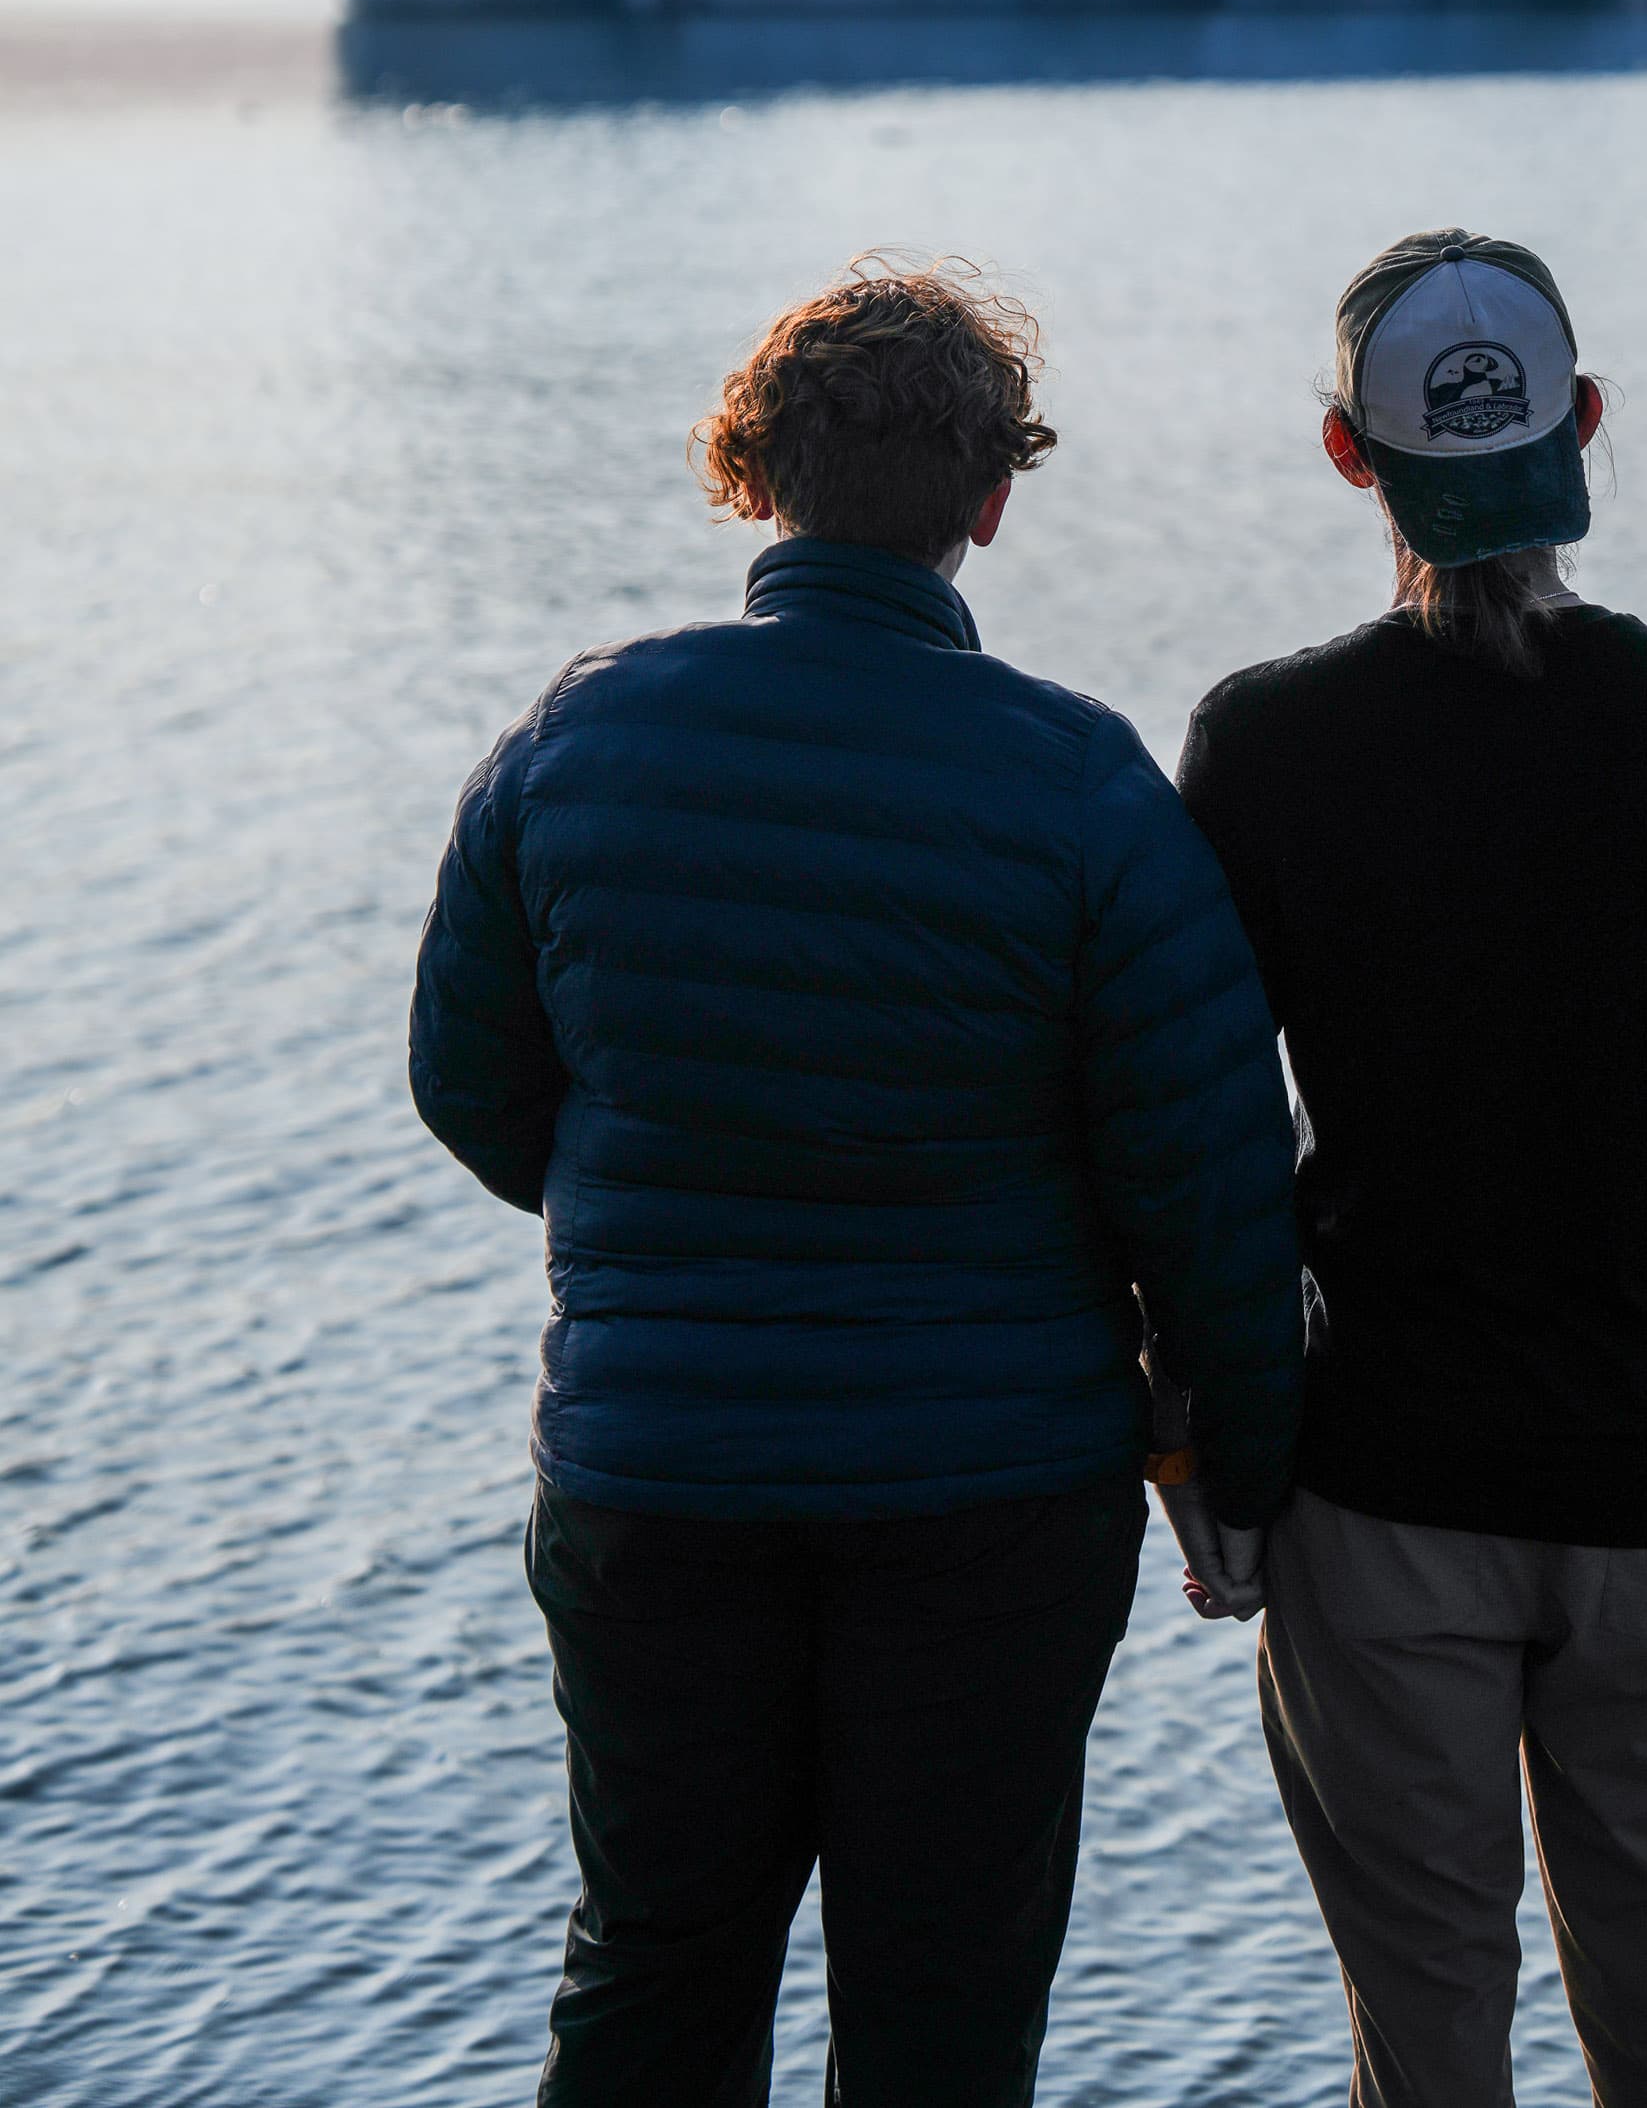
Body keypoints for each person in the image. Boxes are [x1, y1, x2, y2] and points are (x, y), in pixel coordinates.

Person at [408, 257, 1303, 2108]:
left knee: (654, 1971)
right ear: (989, 501)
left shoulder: (577, 743)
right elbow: (1209, 1180)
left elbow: (472, 1089)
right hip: (988, 1506)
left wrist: (669, 1225)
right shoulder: (1077, 783)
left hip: (656, 1480)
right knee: (941, 2012)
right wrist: (1241, 1464)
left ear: (758, 475)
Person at [1177, 228, 1647, 2108]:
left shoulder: (1263, 747)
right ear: (1587, 424)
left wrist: (1194, 1431)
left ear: (1351, 459)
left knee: (1427, 2037)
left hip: (1383, 1487)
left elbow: (1191, 1137)